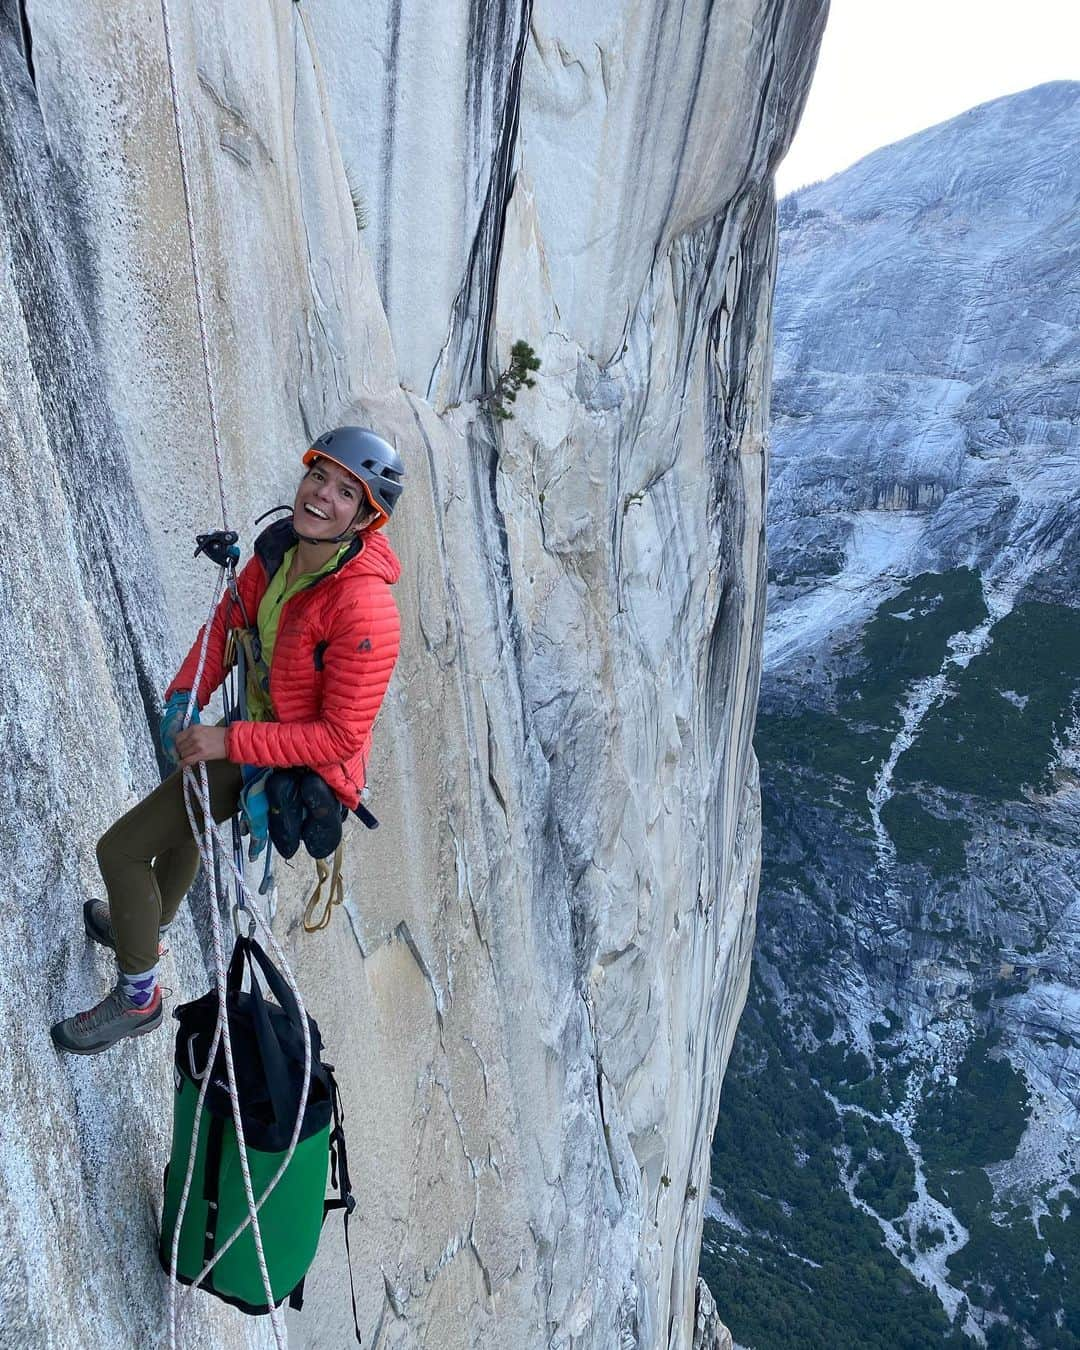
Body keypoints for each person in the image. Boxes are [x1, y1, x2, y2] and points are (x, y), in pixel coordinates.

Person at [51, 427, 404, 1055]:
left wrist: (226, 740)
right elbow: (228, 624)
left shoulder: (365, 610)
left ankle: (139, 999)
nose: (321, 495)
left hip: (289, 765)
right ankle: (147, 924)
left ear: (366, 519)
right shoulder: (282, 550)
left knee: (121, 854)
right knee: (183, 817)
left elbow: (339, 736)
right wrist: (185, 696)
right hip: (249, 733)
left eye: (346, 492)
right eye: (319, 475)